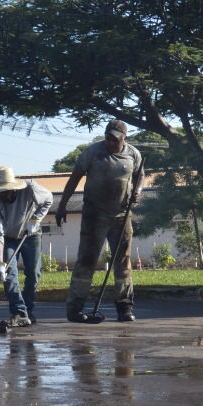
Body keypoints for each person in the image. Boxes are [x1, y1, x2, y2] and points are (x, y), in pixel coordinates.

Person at [55, 120, 145, 322]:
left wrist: (137, 192)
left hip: (121, 216)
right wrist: (62, 206)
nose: (110, 142)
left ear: (124, 138)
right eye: (107, 138)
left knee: (122, 263)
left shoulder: (133, 154)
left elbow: (140, 175)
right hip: (94, 215)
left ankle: (125, 307)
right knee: (86, 262)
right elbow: (74, 178)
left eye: (114, 139)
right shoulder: (92, 152)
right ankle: (76, 308)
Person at [0, 166, 53, 327]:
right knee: (9, 275)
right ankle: (18, 312)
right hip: (9, 239)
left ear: (13, 188)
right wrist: (0, 263)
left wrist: (36, 219)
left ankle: (28, 310)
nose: (2, 194)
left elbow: (49, 199)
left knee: (33, 274)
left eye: (5, 190)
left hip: (31, 235)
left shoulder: (30, 189)